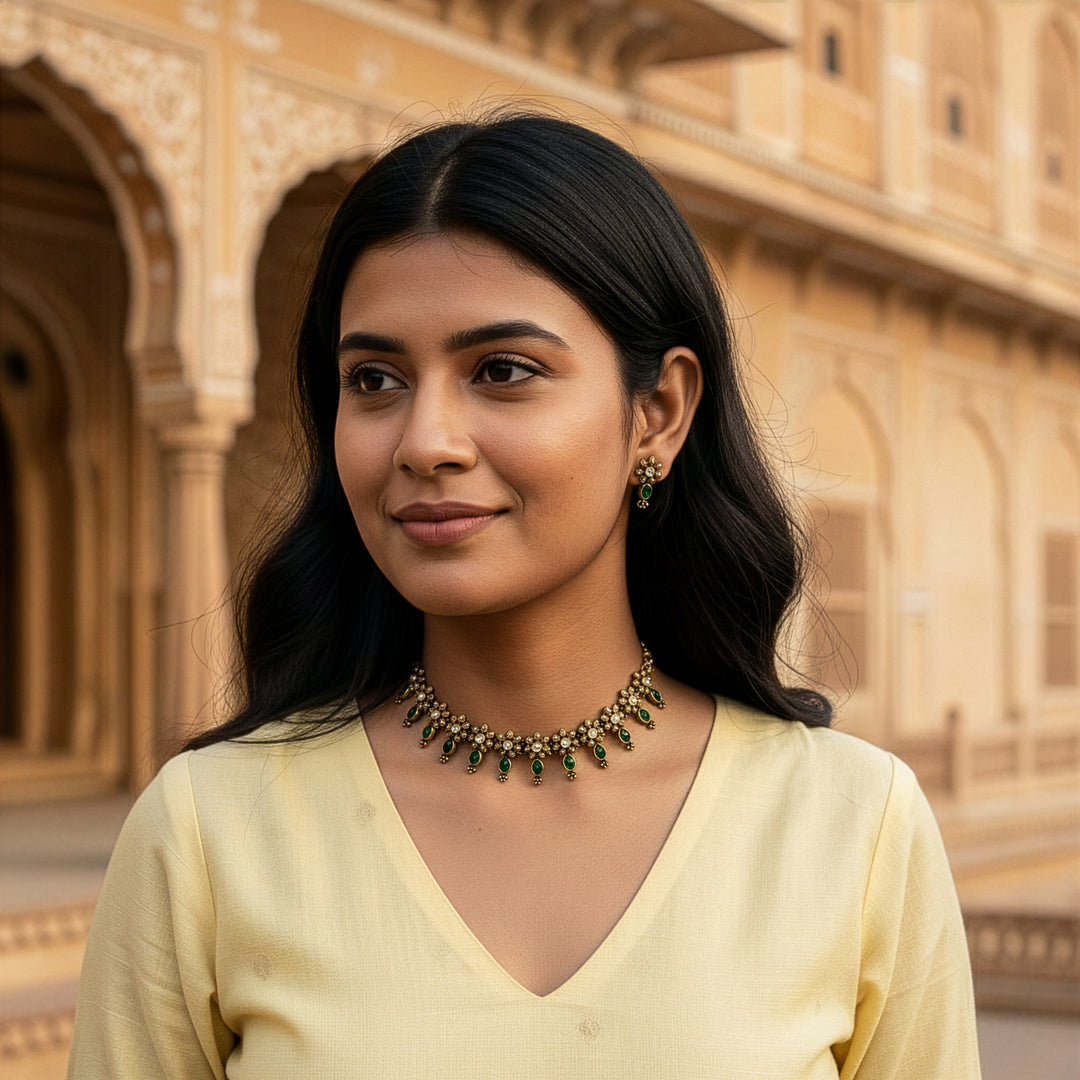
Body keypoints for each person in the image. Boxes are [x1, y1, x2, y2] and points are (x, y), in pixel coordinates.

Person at [68, 110, 981, 1079]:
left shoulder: (851, 828)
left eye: (503, 372)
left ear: (658, 413)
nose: (425, 441)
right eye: (374, 380)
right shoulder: (211, 836)